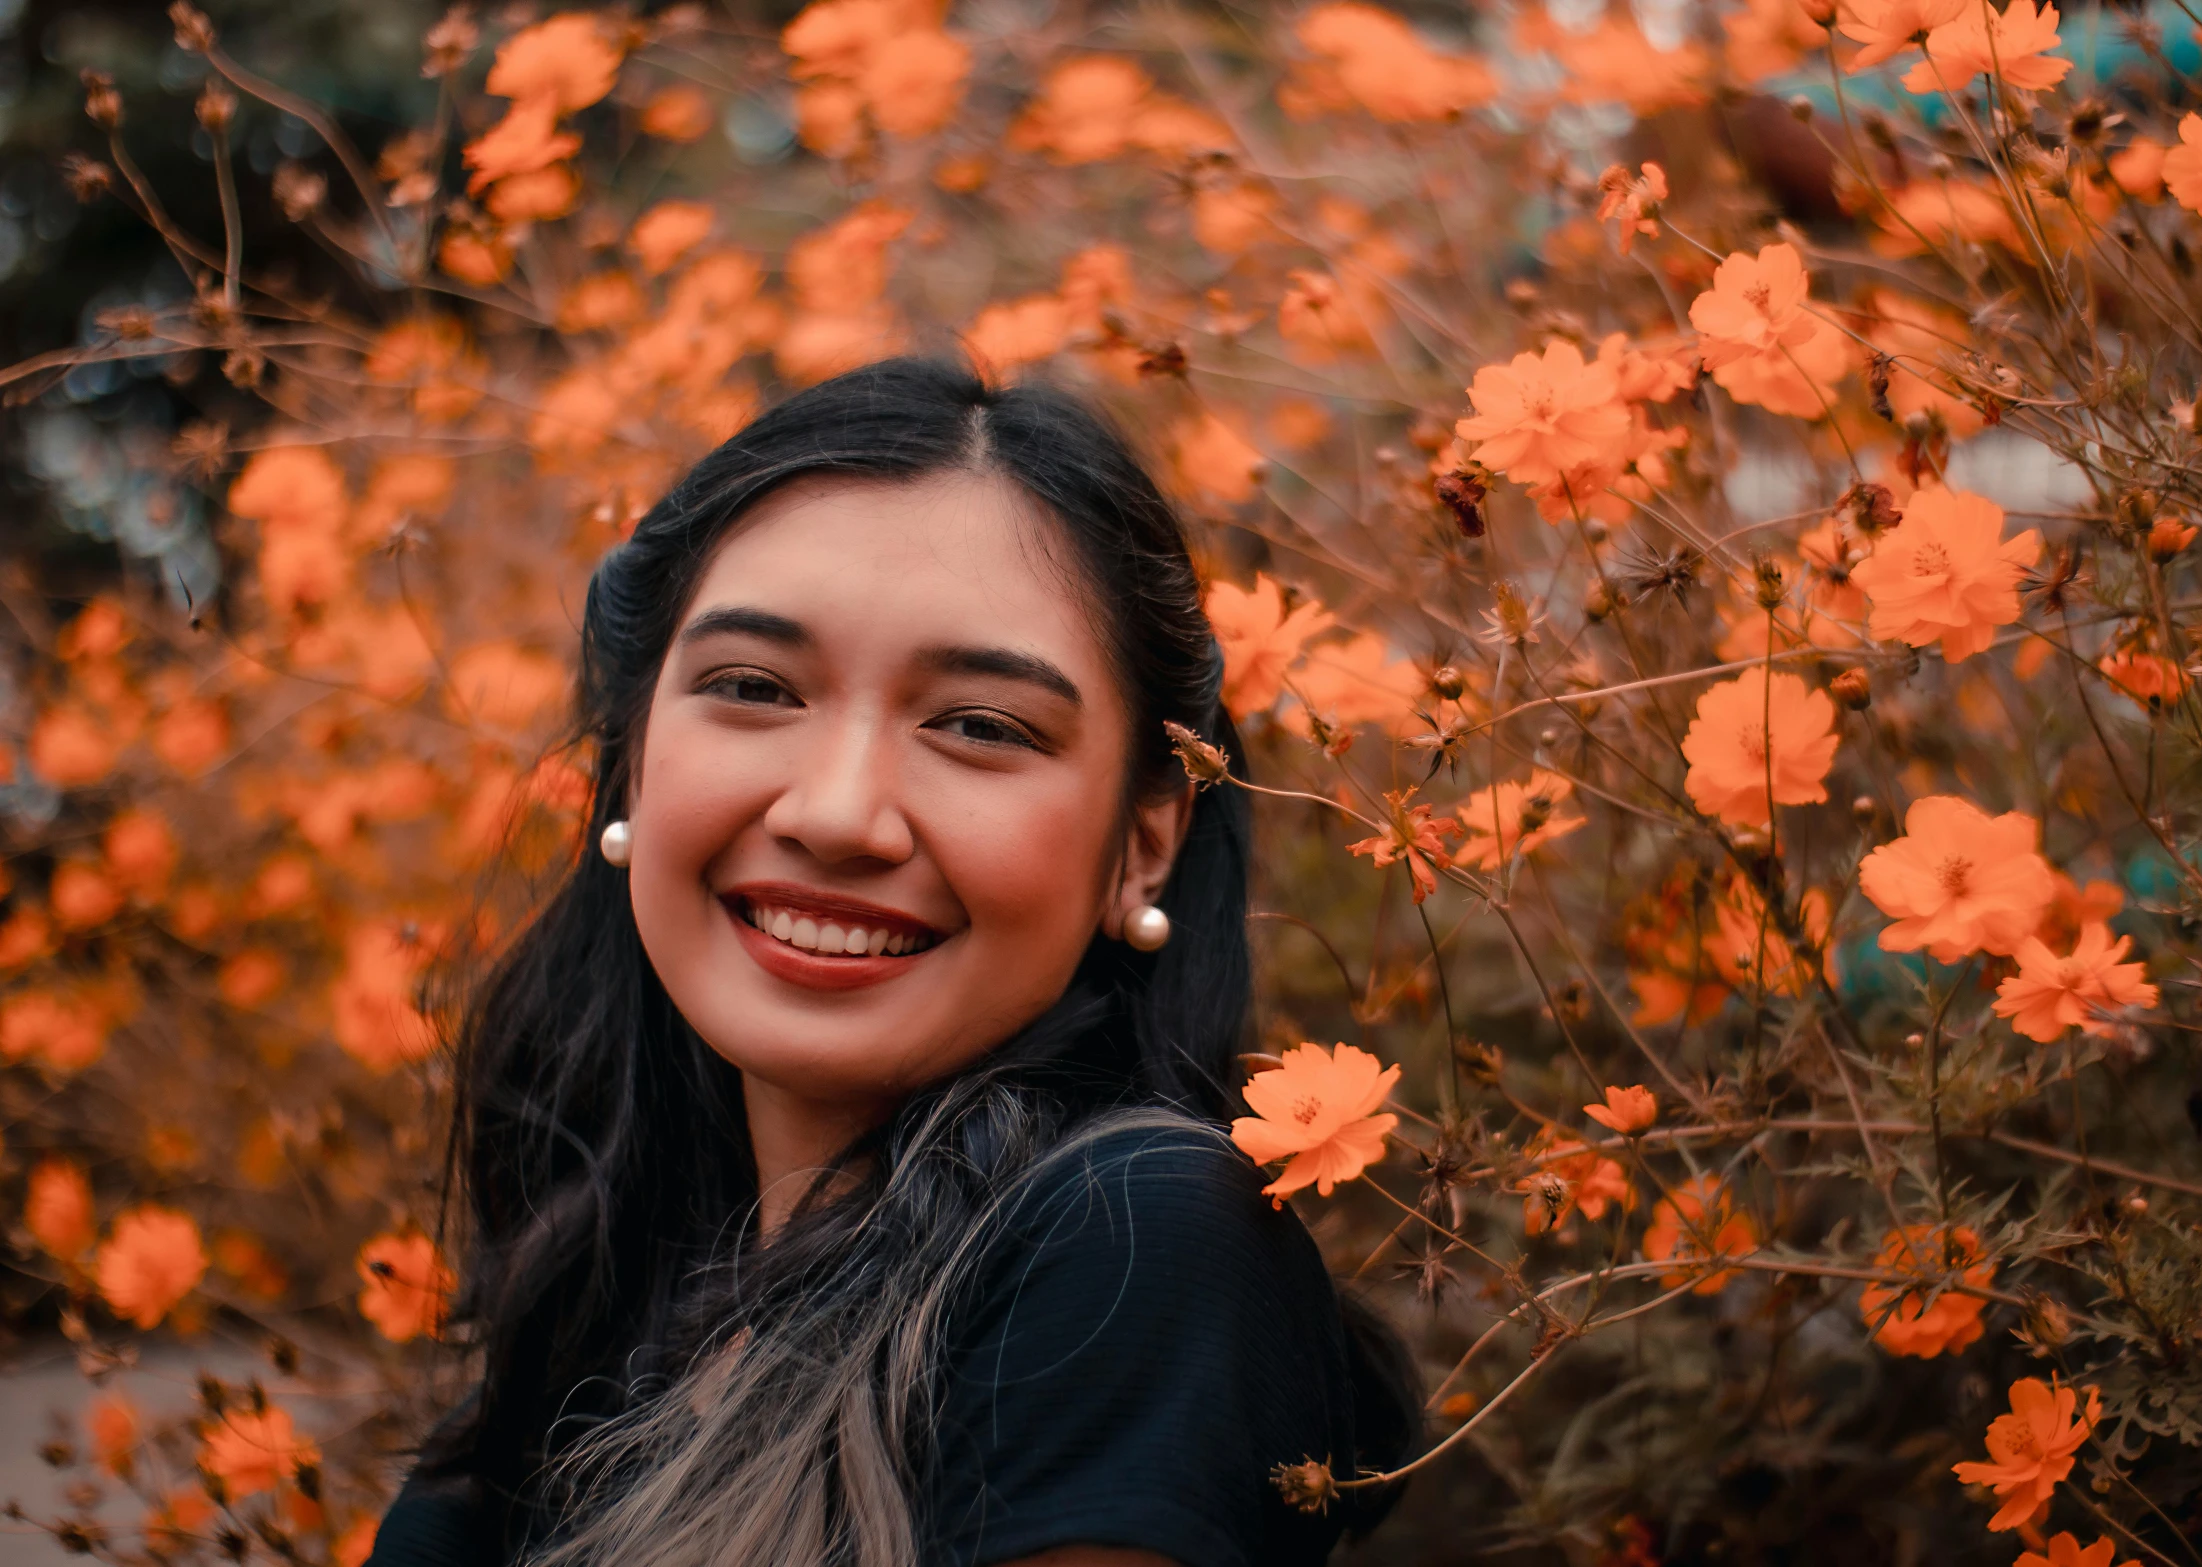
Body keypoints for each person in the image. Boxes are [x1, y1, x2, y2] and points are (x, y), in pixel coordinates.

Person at [365, 357, 1421, 1567]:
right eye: (753, 687)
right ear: (635, 766)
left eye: (978, 724)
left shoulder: (1136, 1241)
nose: (837, 813)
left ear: (1141, 845)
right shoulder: (598, 1330)